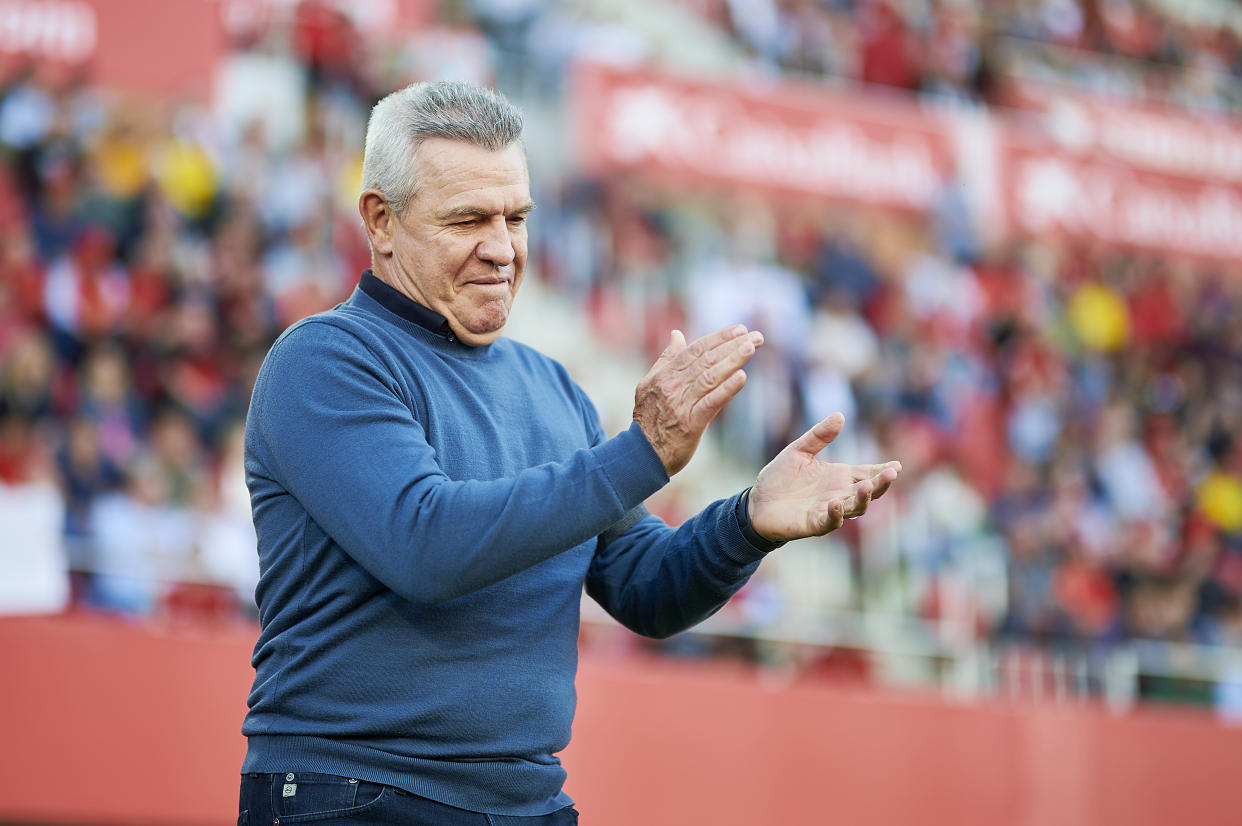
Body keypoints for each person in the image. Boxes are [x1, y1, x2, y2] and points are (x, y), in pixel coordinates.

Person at [238, 81, 901, 825]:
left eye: (516, 217)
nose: (502, 248)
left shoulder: (552, 388)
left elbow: (648, 590)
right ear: (381, 220)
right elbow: (424, 544)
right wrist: (641, 453)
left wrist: (747, 522)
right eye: (468, 219)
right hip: (353, 794)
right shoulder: (325, 361)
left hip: (528, 803)